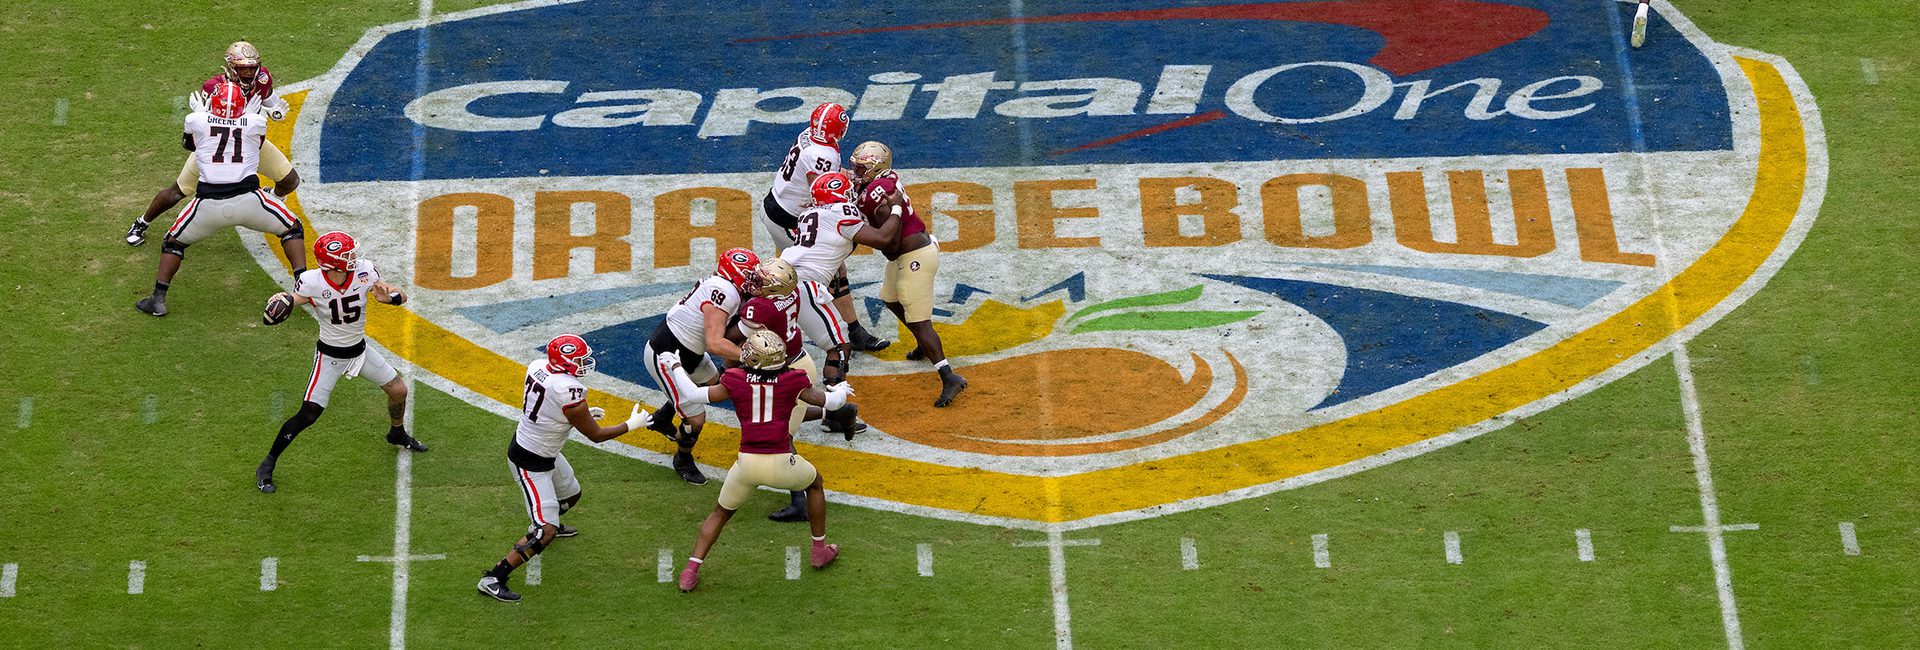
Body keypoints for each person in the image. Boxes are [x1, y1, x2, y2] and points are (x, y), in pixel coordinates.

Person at [658, 330, 854, 592]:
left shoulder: (735, 379)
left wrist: (675, 366)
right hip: (783, 461)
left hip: (746, 464)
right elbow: (831, 402)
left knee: (721, 512)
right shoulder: (793, 379)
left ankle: (690, 570)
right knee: (815, 483)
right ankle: (819, 550)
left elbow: (692, 395)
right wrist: (841, 389)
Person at [477, 334, 648, 603]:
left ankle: (547, 520)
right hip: (530, 460)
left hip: (544, 450)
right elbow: (596, 436)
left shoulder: (538, 366)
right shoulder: (571, 391)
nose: (584, 363)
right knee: (545, 531)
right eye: (579, 359)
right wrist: (630, 425)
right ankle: (494, 577)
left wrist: (582, 415)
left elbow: (549, 408)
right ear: (566, 362)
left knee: (571, 496)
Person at [254, 231, 425, 493]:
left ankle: (397, 433)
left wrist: (389, 298)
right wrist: (283, 301)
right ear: (332, 263)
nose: (354, 258)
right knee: (308, 415)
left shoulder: (365, 272)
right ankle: (268, 463)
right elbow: (295, 299)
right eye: (347, 255)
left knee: (399, 390)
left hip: (360, 351)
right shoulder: (311, 282)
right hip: (330, 356)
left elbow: (401, 295)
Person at [135, 80, 305, 317]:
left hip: (207, 204)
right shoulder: (256, 122)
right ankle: (303, 286)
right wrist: (246, 116)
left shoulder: (196, 121)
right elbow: (254, 142)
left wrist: (201, 115)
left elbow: (189, 145)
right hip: (250, 200)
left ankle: (158, 299)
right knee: (292, 229)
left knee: (173, 243)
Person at [127, 41, 297, 251]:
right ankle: (141, 222)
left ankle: (273, 199)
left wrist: (275, 111)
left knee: (290, 180)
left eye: (252, 67)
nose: (249, 73)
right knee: (178, 191)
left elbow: (270, 100)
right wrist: (249, 117)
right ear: (231, 67)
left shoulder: (262, 79)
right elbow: (207, 128)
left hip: (252, 148)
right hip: (215, 151)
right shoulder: (213, 88)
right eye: (243, 68)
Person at [640, 249, 782, 484]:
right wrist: (754, 357)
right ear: (735, 275)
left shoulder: (727, 288)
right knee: (696, 420)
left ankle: (662, 418)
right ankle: (682, 459)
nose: (754, 280)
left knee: (717, 387)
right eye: (749, 276)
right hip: (667, 355)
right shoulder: (724, 291)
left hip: (689, 352)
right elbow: (715, 343)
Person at [760, 102, 890, 352]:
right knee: (824, 270)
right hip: (787, 218)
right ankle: (849, 331)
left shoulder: (809, 136)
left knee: (813, 270)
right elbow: (821, 191)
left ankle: (851, 328)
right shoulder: (823, 154)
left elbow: (822, 176)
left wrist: (847, 176)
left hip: (779, 205)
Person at [849, 141, 967, 406]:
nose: (855, 172)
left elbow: (887, 241)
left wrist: (855, 233)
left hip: (915, 257)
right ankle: (925, 345)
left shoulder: (876, 195)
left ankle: (949, 376)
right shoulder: (883, 180)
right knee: (890, 298)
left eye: (860, 168)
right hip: (907, 253)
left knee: (919, 318)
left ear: (875, 168)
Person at [778, 172, 901, 393]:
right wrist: (897, 209)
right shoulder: (842, 211)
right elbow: (883, 239)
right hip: (804, 284)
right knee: (839, 346)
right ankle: (834, 412)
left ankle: (726, 378)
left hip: (778, 277)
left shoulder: (808, 213)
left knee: (766, 338)